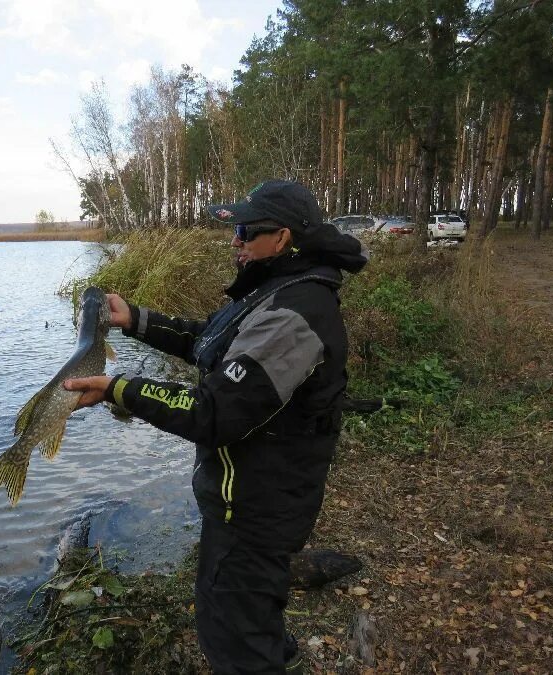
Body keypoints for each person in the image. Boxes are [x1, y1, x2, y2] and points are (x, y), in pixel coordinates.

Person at [64, 180, 369, 673]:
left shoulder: (296, 314)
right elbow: (210, 341)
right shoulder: (276, 289)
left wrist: (121, 389)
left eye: (247, 231)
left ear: (283, 238)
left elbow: (213, 412)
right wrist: (135, 319)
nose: (236, 241)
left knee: (234, 642)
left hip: (257, 509)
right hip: (242, 501)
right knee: (246, 617)